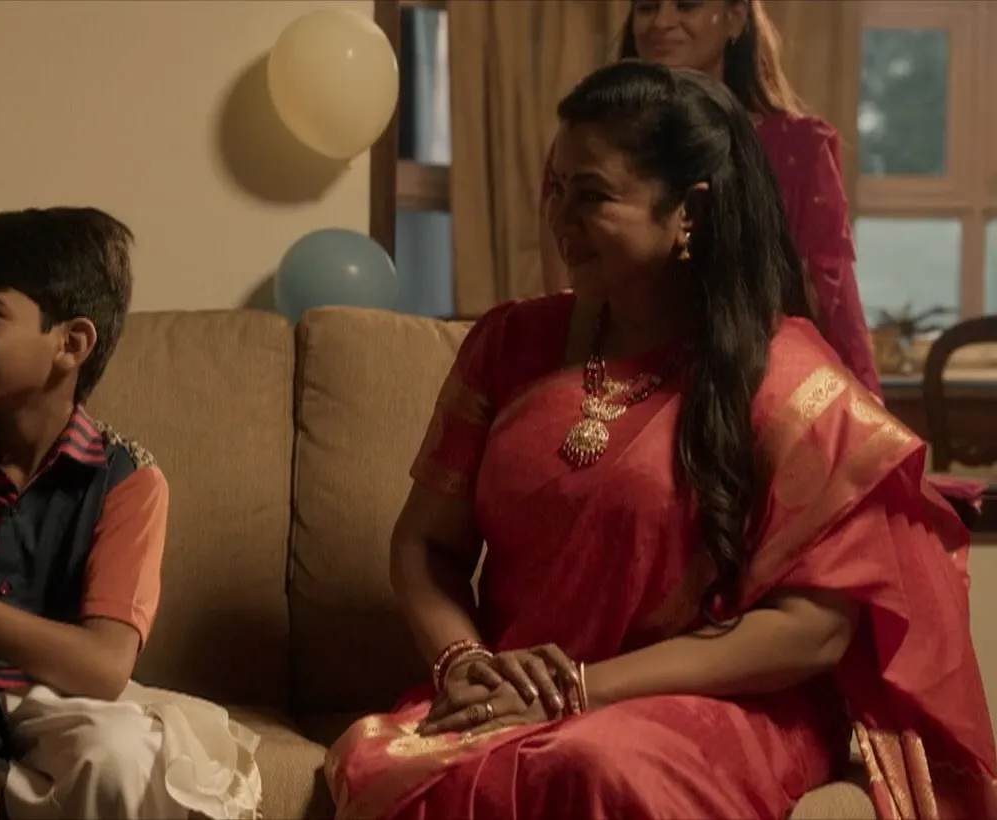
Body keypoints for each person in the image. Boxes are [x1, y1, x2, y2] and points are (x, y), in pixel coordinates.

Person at [325, 61, 997, 819]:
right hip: (518, 693)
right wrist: (464, 662)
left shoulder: (787, 382)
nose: (560, 217)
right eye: (556, 188)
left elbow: (813, 632)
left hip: (715, 703)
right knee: (378, 760)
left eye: (592, 196)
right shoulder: (510, 345)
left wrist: (581, 689)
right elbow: (424, 545)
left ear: (690, 211)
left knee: (593, 765)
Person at [0, 207, 260, 820]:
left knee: (122, 757)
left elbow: (103, 668)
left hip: (75, 709)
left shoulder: (129, 480)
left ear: (71, 343)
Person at [543, 0, 881, 396]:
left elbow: (832, 298)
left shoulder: (798, 148)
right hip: (610, 380)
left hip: (750, 384)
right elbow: (565, 286)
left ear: (736, 17)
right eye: (647, 7)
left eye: (686, 5)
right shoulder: (581, 152)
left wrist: (860, 399)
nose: (662, 22)